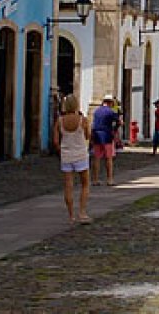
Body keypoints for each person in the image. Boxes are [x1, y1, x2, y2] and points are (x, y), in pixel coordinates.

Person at [53, 94, 92, 223]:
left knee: (68, 186)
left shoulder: (59, 121)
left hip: (66, 156)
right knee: (85, 184)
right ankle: (82, 212)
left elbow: (55, 141)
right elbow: (87, 136)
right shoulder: (83, 120)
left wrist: (61, 150)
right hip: (80, 154)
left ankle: (71, 216)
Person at [91, 94, 120, 186]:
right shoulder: (111, 112)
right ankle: (109, 179)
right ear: (111, 103)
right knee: (109, 158)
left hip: (96, 135)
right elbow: (119, 122)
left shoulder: (96, 111)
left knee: (97, 158)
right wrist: (115, 129)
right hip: (107, 135)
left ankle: (95, 179)